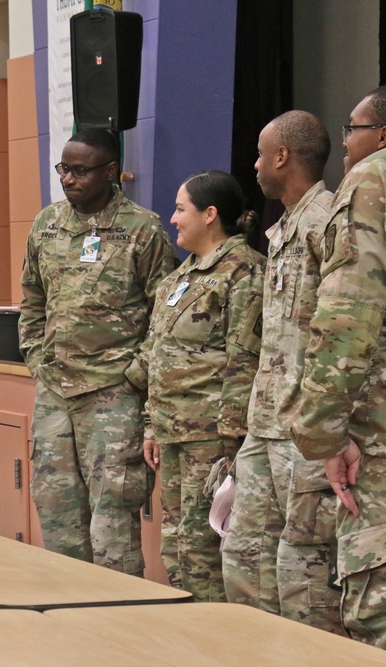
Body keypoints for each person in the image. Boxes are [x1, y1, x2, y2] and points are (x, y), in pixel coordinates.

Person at [19, 128, 177, 576]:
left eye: (80, 170)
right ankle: (70, 621)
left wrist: (135, 375)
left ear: (110, 172)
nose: (69, 179)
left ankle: (121, 623)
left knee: (112, 522)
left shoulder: (142, 230)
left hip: (112, 393)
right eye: (63, 169)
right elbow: (31, 298)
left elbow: (164, 312)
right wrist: (35, 357)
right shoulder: (47, 224)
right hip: (55, 391)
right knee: (56, 511)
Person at [222, 111, 346, 634]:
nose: (253, 165)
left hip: (305, 432)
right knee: (245, 559)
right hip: (265, 423)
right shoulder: (283, 231)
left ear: (282, 157)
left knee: (304, 574)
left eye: (259, 152)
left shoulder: (327, 221)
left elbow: (344, 331)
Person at [138, 170, 264, 601]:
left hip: (211, 442)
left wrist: (232, 444)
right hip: (175, 437)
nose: (172, 219)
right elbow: (158, 356)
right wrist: (152, 427)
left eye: (180, 209)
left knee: (206, 557)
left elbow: (243, 360)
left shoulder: (243, 272)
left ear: (210, 214)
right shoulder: (179, 278)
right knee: (176, 551)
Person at [291, 85, 386, 647]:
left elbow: (349, 314)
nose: (346, 143)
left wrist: (324, 434)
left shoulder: (374, 179)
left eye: (352, 129)